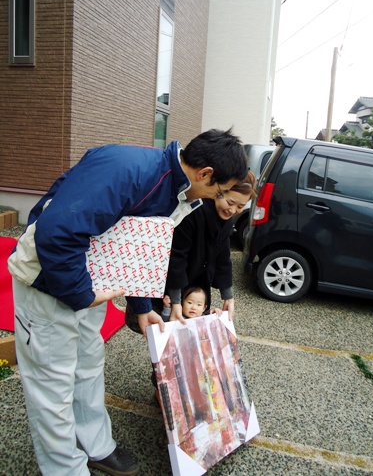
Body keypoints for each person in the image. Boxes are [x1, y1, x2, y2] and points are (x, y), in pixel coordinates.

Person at [8, 128, 247, 476]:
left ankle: (95, 446)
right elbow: (57, 233)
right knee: (52, 385)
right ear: (205, 173)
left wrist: (142, 306)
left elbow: (137, 248)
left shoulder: (174, 189)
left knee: (88, 368)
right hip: (48, 283)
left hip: (91, 285)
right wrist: (82, 294)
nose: (217, 199)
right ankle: (64, 468)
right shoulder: (127, 171)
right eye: (220, 191)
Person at [126, 171, 257, 332]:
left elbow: (223, 257)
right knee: (162, 328)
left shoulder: (226, 221)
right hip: (171, 284)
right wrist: (176, 301)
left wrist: (228, 295)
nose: (233, 210)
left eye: (240, 206)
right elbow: (176, 258)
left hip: (196, 286)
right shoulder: (193, 211)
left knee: (191, 331)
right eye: (230, 202)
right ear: (219, 191)